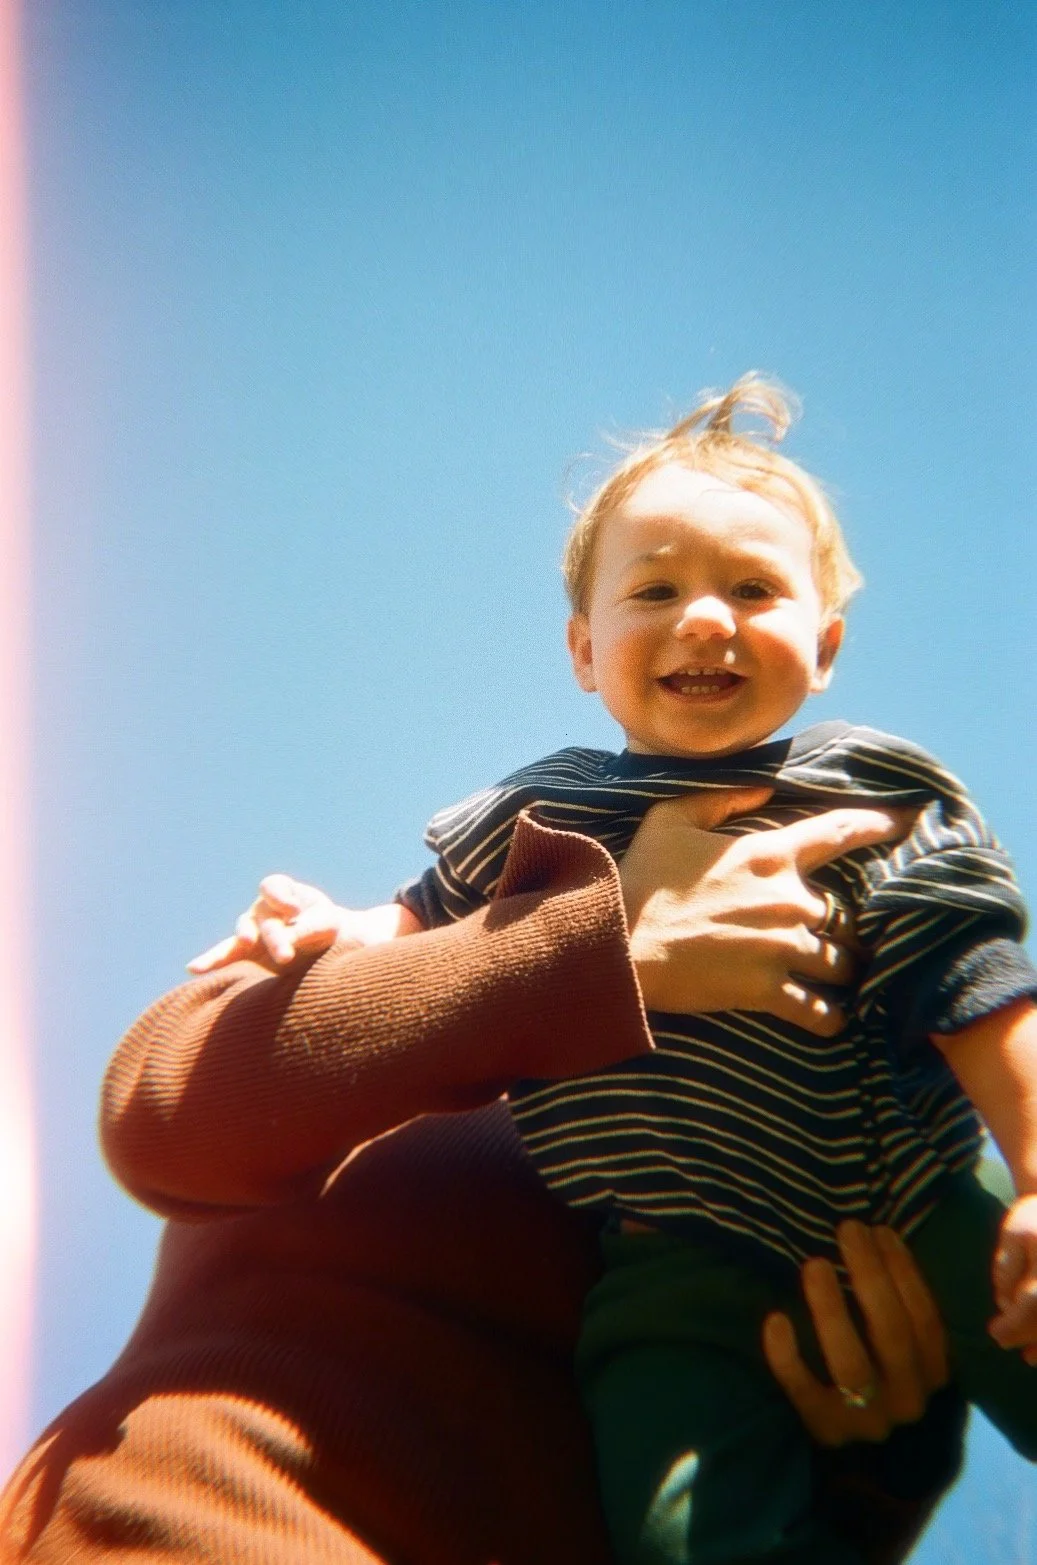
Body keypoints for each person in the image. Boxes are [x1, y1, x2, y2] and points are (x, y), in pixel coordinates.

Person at [231, 375, 1037, 1564]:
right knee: (678, 1524)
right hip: (672, 1259)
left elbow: (972, 976)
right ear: (582, 650)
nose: (702, 619)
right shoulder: (542, 814)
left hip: (915, 1203)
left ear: (822, 647)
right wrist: (328, 928)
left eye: (751, 589)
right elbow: (419, 928)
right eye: (653, 589)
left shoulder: (855, 790)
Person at [1, 795, 967, 1564]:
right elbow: (157, 1111)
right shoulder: (376, 979)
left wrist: (880, 1464)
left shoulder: (809, 1148)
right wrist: (600, 942)